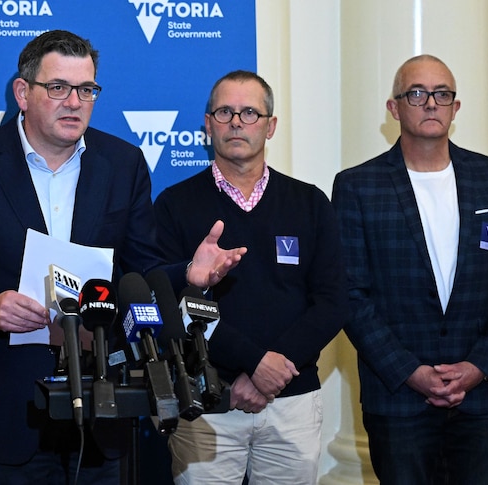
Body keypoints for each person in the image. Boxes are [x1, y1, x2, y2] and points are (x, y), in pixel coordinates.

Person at [0, 29, 244, 484]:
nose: (74, 101)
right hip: (3, 409)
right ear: (23, 93)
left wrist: (187, 273)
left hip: (103, 402)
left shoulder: (123, 164)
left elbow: (139, 271)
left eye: (86, 89)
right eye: (58, 88)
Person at [331, 54, 488, 484]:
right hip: (398, 401)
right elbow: (350, 293)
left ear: (455, 108)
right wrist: (410, 371)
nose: (430, 104)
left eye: (442, 94)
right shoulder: (356, 186)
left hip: (482, 401)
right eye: (417, 93)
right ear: (395, 107)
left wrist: (480, 365)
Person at [154, 70, 348, 484]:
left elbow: (333, 302)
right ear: (208, 124)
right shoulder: (174, 205)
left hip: (291, 400)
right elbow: (172, 302)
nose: (236, 122)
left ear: (270, 125)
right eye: (224, 112)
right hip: (207, 403)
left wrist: (270, 373)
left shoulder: (310, 203)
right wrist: (253, 364)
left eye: (249, 113)